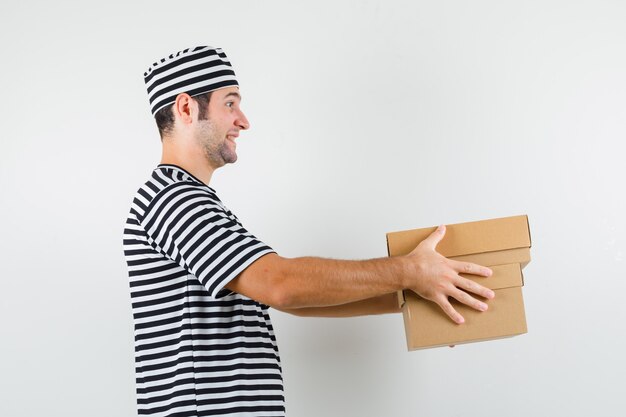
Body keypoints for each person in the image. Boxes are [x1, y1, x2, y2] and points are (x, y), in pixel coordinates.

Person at [123, 46, 495, 417]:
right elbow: (282, 286)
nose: (244, 121)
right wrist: (410, 271)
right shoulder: (171, 200)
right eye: (229, 104)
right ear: (186, 108)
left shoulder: (191, 202)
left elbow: (296, 299)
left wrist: (419, 295)